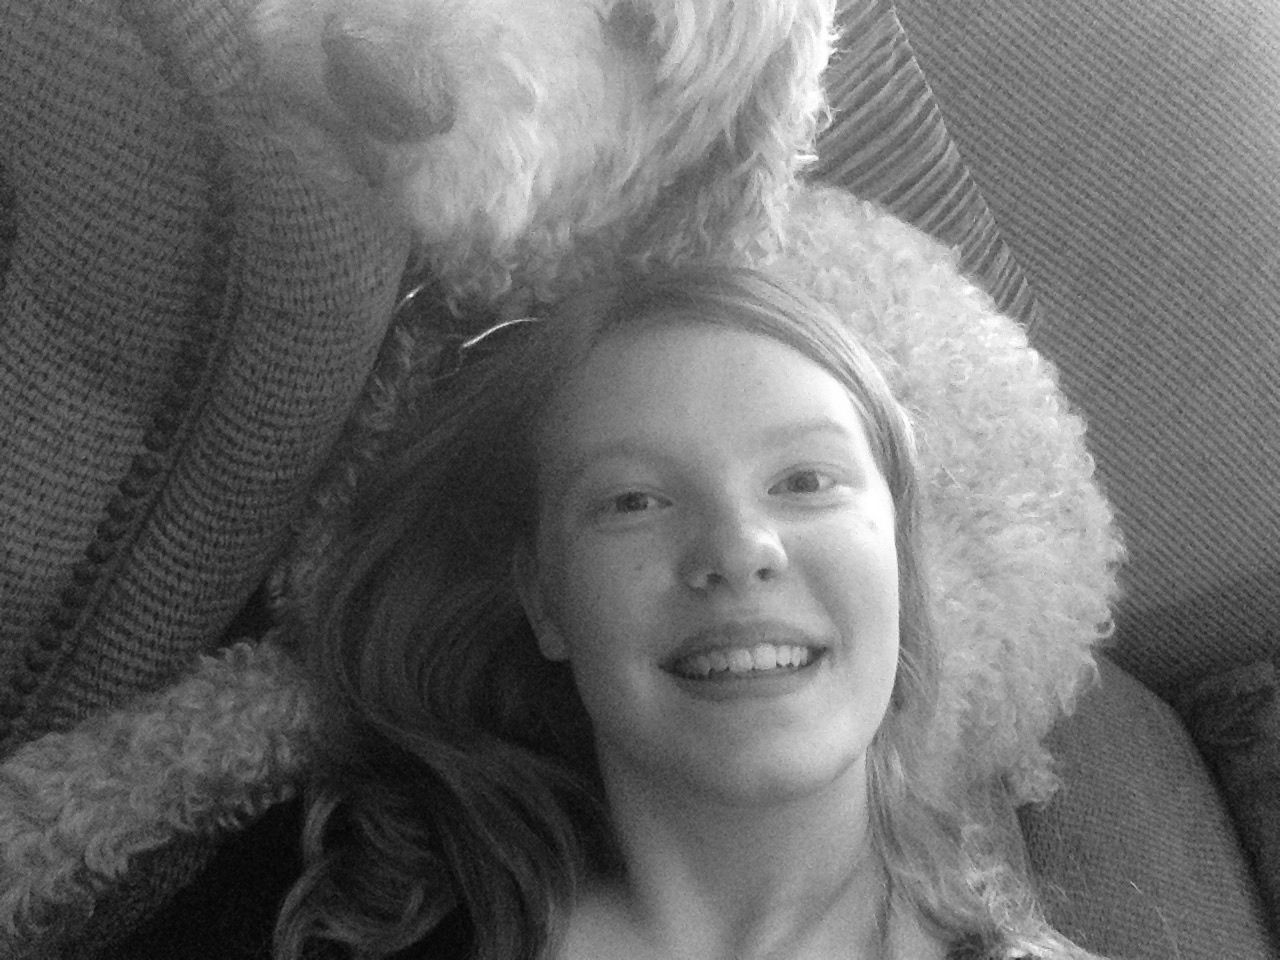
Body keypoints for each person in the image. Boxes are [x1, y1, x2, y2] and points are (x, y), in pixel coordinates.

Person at [274, 265, 1101, 960]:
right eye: (634, 500)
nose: (739, 547)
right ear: (544, 599)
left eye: (805, 481)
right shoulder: (352, 916)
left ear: (898, 560)